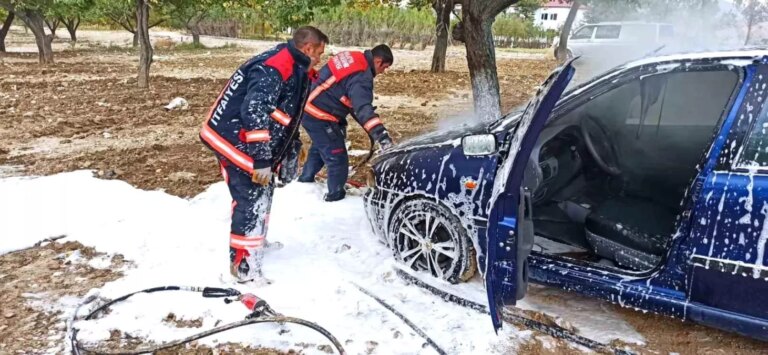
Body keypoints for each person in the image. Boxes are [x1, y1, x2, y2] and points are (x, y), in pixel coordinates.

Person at [200, 26, 328, 283]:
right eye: (320, 53)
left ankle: (255, 242)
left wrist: (291, 144)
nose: (321, 59)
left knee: (263, 191)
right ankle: (244, 267)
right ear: (308, 48)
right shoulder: (276, 66)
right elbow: (255, 111)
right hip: (235, 138)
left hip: (246, 137)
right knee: (250, 197)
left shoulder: (295, 64)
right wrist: (260, 160)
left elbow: (283, 112)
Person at [297, 45, 395, 202]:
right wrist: (382, 137)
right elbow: (363, 109)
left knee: (322, 145)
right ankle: (335, 198)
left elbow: (345, 93)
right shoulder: (362, 77)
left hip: (310, 103)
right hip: (318, 113)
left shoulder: (354, 56)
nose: (384, 71)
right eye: (385, 67)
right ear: (378, 61)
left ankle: (304, 183)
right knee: (337, 157)